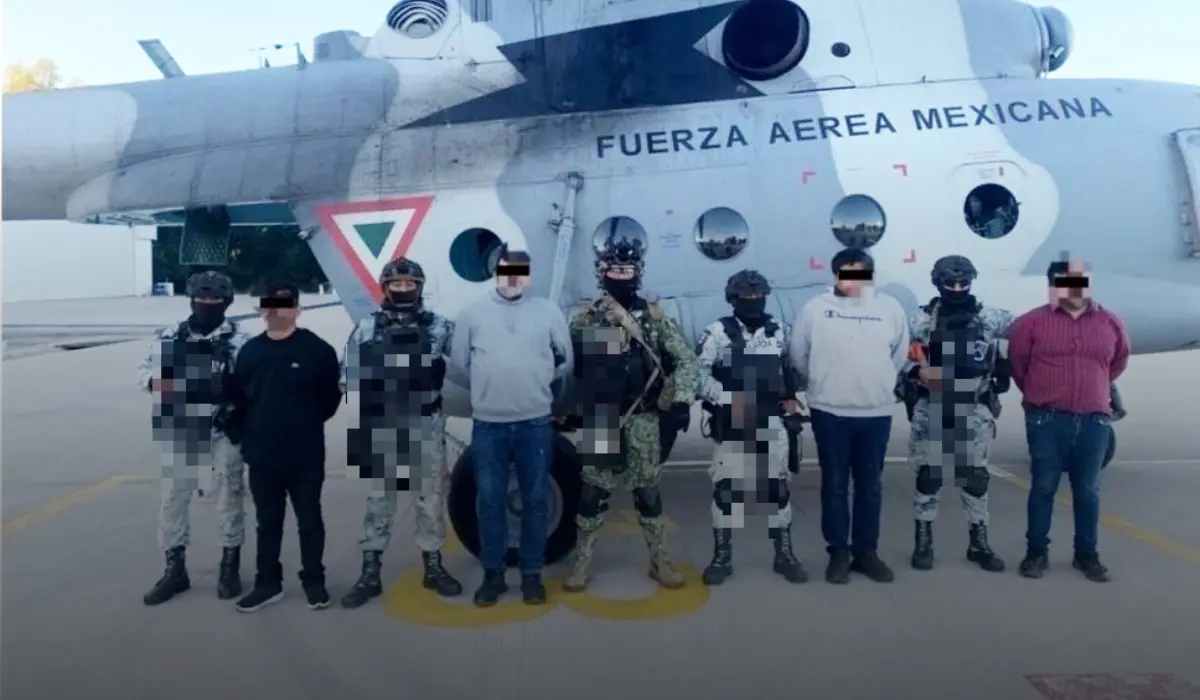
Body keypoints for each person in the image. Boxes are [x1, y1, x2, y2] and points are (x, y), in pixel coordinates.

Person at [562, 235, 698, 593]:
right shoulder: (585, 320)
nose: (621, 276)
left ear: (638, 272)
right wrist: (567, 408)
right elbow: (569, 368)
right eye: (614, 270)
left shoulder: (653, 319)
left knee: (648, 493)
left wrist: (681, 401)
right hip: (602, 420)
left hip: (642, 420)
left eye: (627, 270)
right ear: (601, 273)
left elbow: (686, 360)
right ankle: (582, 562)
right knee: (593, 493)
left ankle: (659, 559)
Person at [450, 246, 574, 607]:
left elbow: (565, 361)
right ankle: (493, 575)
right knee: (490, 502)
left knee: (535, 500)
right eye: (507, 271)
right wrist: (492, 385)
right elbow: (459, 363)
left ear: (528, 275)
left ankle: (532, 575)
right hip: (490, 424)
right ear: (496, 273)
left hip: (535, 423)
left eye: (520, 271)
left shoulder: (548, 312)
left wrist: (533, 381)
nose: (513, 278)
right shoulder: (472, 314)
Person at [340, 258, 462, 609]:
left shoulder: (439, 327)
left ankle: (433, 566)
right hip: (383, 423)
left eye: (410, 284)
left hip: (426, 423)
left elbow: (470, 361)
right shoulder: (367, 327)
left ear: (419, 287)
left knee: (430, 500)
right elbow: (345, 376)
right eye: (397, 284)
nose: (403, 290)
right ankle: (370, 573)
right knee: (379, 502)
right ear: (386, 287)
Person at [789, 247, 908, 584]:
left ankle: (866, 553)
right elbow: (799, 355)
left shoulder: (890, 309)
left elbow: (898, 356)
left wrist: (877, 383)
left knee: (870, 486)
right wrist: (824, 382)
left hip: (875, 412)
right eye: (847, 273)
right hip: (830, 412)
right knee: (835, 485)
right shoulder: (815, 309)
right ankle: (838, 553)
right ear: (835, 276)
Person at [1008, 259, 1130, 582]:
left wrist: (1095, 387)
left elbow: (1117, 361)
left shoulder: (1109, 322)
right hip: (1047, 420)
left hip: (1094, 421)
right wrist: (1042, 394)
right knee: (1043, 487)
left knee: (1088, 490)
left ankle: (1086, 554)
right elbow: (1019, 365)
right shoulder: (1031, 323)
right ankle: (1036, 553)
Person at [228, 283, 343, 612]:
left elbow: (330, 399)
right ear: (262, 310)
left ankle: (314, 582)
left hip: (304, 454)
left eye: (283, 304)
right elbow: (239, 397)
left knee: (309, 520)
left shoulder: (317, 351)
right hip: (262, 455)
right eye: (270, 305)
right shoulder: (250, 351)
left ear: (297, 309)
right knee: (267, 522)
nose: (275, 310)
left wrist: (302, 424)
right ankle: (268, 584)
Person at [138, 271, 250, 605]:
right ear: (191, 299)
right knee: (173, 499)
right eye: (202, 297)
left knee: (230, 496)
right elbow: (145, 373)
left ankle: (229, 566)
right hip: (184, 426)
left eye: (215, 298)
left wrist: (235, 401)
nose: (207, 303)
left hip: (225, 427)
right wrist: (172, 385)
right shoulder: (172, 335)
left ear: (226, 302)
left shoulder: (241, 340)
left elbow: (254, 383)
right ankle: (175, 570)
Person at [899, 255, 1011, 573]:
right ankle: (923, 542)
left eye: (964, 283)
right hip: (932, 405)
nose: (958, 288)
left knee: (974, 478)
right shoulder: (919, 321)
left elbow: (1030, 333)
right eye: (951, 283)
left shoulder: (990, 318)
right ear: (938, 283)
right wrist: (915, 371)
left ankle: (979, 543)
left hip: (973, 407)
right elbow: (897, 352)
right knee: (929, 476)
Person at [694, 269, 806, 585]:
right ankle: (722, 557)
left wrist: (790, 397)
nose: (753, 301)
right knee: (727, 491)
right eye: (746, 297)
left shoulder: (779, 331)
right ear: (733, 299)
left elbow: (792, 368)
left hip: (771, 419)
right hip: (734, 420)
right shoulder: (718, 333)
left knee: (777, 490)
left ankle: (784, 554)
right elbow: (698, 373)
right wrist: (726, 398)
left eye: (759, 296)